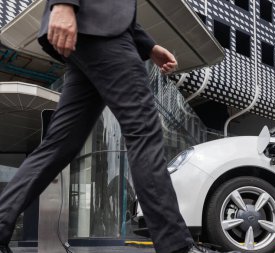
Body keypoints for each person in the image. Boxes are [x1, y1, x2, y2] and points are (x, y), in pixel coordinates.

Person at [0, 1, 241, 253]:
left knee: (58, 145)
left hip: (92, 34)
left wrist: (150, 46)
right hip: (100, 30)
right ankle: (176, 247)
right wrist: (63, 4)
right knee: (144, 133)